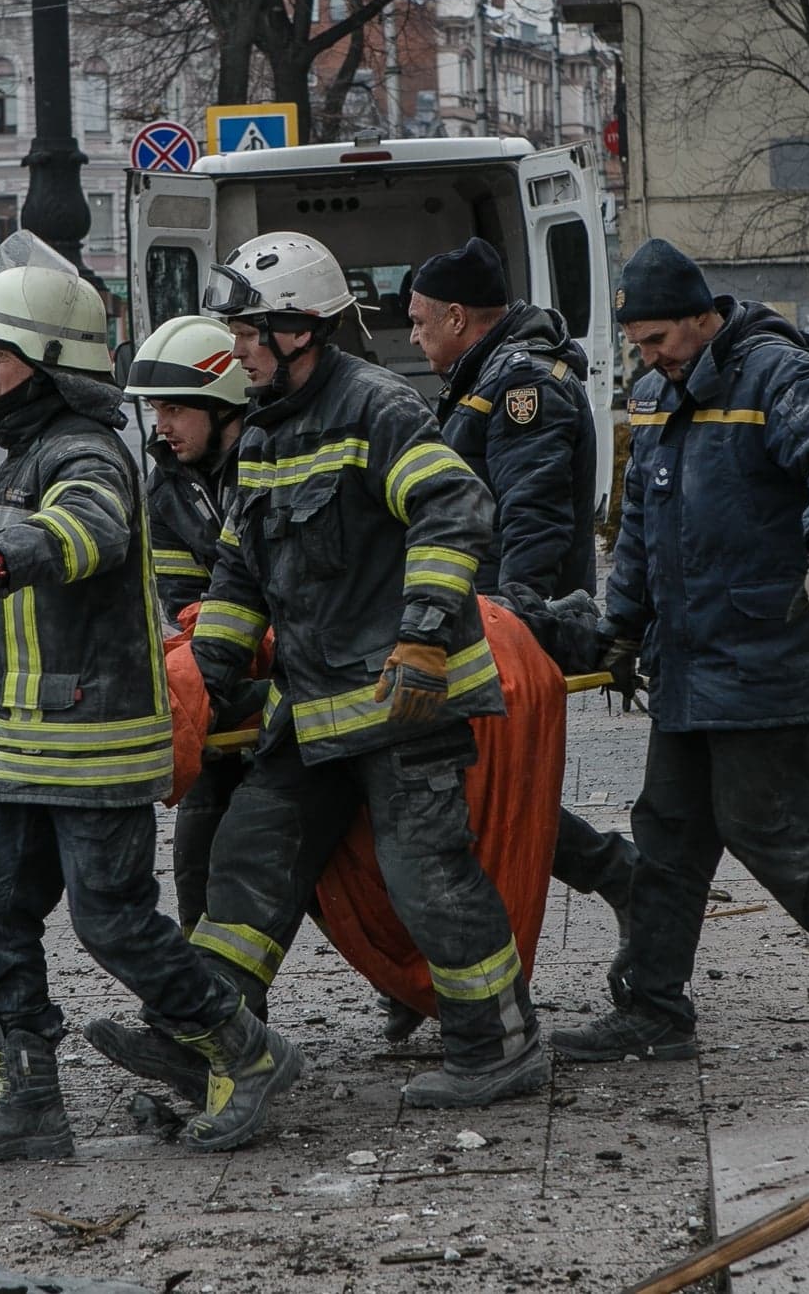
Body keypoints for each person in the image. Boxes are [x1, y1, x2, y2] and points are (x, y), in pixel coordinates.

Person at [85, 232, 547, 1111]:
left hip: (404, 701)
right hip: (317, 709)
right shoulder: (264, 435)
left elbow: (454, 507)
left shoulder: (377, 408)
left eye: (248, 332)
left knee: (426, 877)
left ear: (299, 329)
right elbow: (237, 579)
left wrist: (423, 636)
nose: (238, 350)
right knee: (248, 856)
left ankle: (501, 1043)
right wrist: (201, 684)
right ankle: (207, 1038)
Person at [0, 238, 300, 1166]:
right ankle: (30, 1097)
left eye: (0, 351)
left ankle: (244, 1052)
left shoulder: (84, 452)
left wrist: (1, 556)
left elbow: (86, 529)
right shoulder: (28, 454)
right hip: (28, 742)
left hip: (93, 740)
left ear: (50, 362)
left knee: (113, 921)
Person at [553, 240, 809, 1065]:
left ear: (702, 317)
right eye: (638, 345)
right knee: (668, 832)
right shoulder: (657, 395)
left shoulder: (775, 376)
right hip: (689, 657)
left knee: (762, 824)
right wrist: (624, 624)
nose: (649, 359)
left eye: (658, 340)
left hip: (767, 648)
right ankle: (654, 1007)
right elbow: (642, 525)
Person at [405, 237, 639, 1013]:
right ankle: (617, 876)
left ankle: (619, 876)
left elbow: (531, 517)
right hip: (482, 620)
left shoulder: (520, 385)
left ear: (457, 317)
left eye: (419, 321)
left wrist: (513, 620)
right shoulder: (487, 376)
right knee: (467, 790)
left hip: (504, 627)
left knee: (469, 790)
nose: (413, 336)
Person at [122, 314, 255, 931]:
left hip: (304, 681)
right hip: (222, 676)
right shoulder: (167, 489)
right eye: (156, 410)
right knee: (196, 852)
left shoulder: (274, 461)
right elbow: (181, 603)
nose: (161, 426)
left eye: (175, 408)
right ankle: (204, 978)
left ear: (224, 405)